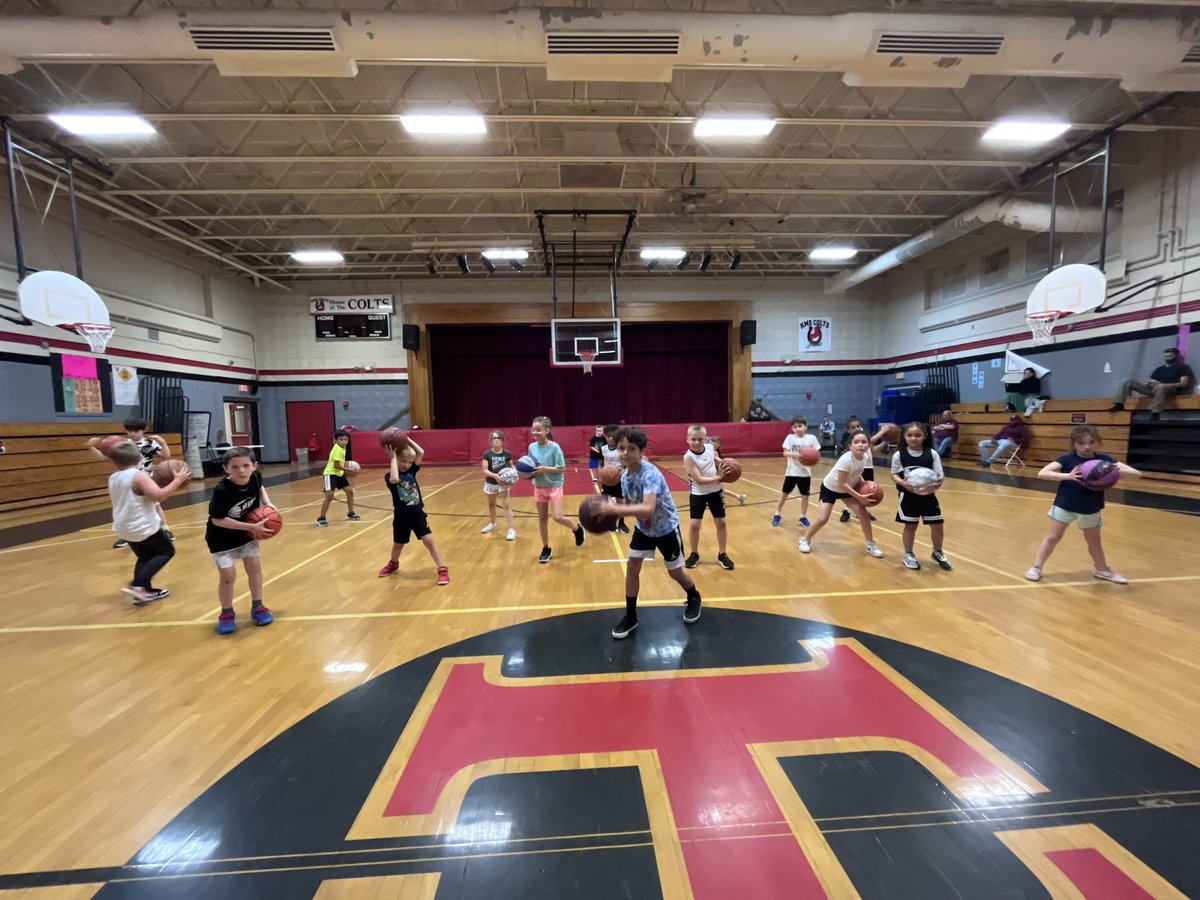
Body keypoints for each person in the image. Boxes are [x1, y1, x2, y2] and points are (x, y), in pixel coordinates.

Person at [607, 426, 703, 639]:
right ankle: (631, 616)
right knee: (632, 566)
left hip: (666, 528)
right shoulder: (624, 477)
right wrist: (612, 505)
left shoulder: (650, 473)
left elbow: (647, 507)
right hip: (644, 528)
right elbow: (635, 503)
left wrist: (617, 508)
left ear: (641, 451)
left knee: (675, 572)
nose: (624, 453)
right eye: (621, 448)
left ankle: (694, 596)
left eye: (631, 448)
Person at [1025, 425, 1142, 584]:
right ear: (1074, 443)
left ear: (1097, 442)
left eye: (1091, 442)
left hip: (1090, 507)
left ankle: (1102, 570)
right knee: (1053, 537)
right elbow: (1042, 473)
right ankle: (1036, 567)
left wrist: (1113, 470)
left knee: (1094, 541)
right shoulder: (1066, 459)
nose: (1087, 447)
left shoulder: (1105, 460)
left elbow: (1137, 474)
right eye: (1081, 443)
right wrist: (1069, 476)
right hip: (1065, 505)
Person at [105, 441, 190, 604]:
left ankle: (143, 592)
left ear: (114, 461)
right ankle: (139, 585)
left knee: (145, 557)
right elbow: (159, 496)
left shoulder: (114, 477)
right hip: (141, 525)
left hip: (124, 526)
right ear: (139, 457)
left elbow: (138, 494)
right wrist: (177, 480)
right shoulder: (138, 475)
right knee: (166, 551)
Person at [206, 448, 275, 634]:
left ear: (254, 466)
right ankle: (226, 613)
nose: (242, 471)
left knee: (254, 567)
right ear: (226, 469)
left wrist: (268, 504)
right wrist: (252, 527)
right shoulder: (222, 490)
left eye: (246, 465)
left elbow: (260, 487)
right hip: (221, 538)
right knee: (228, 576)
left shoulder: (255, 477)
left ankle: (258, 607)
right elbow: (217, 520)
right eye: (235, 467)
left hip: (246, 535)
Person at [88, 417, 174, 548]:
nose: (133, 433)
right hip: (127, 479)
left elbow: (166, 455)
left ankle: (165, 529)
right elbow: (105, 458)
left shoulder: (150, 443)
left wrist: (163, 443)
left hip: (146, 477)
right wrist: (91, 447)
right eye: (129, 431)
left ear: (143, 430)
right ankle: (127, 536)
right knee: (128, 505)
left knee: (155, 505)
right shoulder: (122, 444)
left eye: (136, 430)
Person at [799, 431, 884, 558]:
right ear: (850, 446)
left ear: (868, 445)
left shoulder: (865, 457)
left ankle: (870, 544)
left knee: (863, 514)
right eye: (856, 442)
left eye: (864, 442)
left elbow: (857, 474)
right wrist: (859, 496)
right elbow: (841, 484)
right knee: (823, 518)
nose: (860, 445)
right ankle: (805, 539)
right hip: (831, 489)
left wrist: (865, 484)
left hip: (847, 490)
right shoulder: (846, 459)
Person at [378, 438, 449, 584]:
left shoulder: (412, 471)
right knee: (398, 544)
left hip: (417, 514)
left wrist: (406, 439)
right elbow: (394, 479)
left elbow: (420, 452)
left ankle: (442, 568)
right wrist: (392, 458)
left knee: (428, 540)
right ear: (396, 460)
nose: (407, 464)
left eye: (410, 462)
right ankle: (393, 563)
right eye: (403, 461)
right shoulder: (389, 476)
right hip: (401, 516)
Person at [891, 422, 951, 571]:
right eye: (910, 435)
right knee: (911, 525)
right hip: (908, 496)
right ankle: (909, 554)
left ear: (924, 436)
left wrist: (937, 483)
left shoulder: (932, 453)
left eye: (918, 435)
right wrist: (903, 483)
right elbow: (894, 474)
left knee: (937, 524)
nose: (913, 438)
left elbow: (939, 474)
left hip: (928, 495)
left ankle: (937, 551)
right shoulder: (899, 454)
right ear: (904, 437)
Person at [528, 415, 585, 564]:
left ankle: (577, 528)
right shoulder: (531, 447)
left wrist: (544, 469)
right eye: (533, 430)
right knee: (542, 518)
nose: (534, 432)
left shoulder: (555, 447)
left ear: (547, 430)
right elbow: (530, 465)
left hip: (554, 486)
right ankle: (546, 548)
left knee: (557, 517)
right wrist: (527, 472)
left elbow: (561, 469)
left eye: (538, 430)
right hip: (539, 487)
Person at [682, 424, 734, 571]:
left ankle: (722, 554)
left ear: (705, 439)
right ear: (687, 439)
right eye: (693, 439)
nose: (697, 442)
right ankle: (694, 553)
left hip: (715, 492)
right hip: (698, 493)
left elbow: (716, 461)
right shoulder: (688, 457)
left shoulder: (711, 449)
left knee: (722, 523)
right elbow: (699, 479)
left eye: (700, 439)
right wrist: (719, 477)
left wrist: (728, 465)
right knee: (695, 525)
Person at [1109, 346, 1195, 419]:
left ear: (1176, 356)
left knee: (1161, 387)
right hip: (1154, 389)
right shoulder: (1160, 369)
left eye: (1170, 356)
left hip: (1170, 390)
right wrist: (1151, 382)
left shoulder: (1182, 367)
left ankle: (1155, 413)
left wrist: (1163, 384)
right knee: (1128, 382)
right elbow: (1150, 380)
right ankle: (1119, 404)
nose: (1167, 358)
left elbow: (1183, 383)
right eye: (1166, 356)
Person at [773, 415, 821, 528]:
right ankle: (777, 513)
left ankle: (803, 516)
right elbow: (785, 453)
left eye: (800, 426)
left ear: (806, 427)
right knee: (784, 494)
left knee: (805, 496)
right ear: (792, 428)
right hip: (792, 472)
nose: (798, 428)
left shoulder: (812, 438)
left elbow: (816, 454)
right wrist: (799, 455)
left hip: (805, 473)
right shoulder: (790, 438)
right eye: (795, 427)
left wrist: (812, 459)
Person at [316, 430, 361, 526]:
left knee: (349, 491)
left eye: (346, 439)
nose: (344, 441)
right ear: (336, 440)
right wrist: (350, 470)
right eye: (341, 439)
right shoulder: (337, 449)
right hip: (331, 474)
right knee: (330, 496)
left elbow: (340, 464)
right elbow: (336, 465)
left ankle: (350, 513)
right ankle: (321, 518)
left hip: (339, 474)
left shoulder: (343, 447)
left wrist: (346, 470)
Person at [480, 429, 516, 541]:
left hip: (504, 484)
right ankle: (492, 524)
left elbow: (511, 466)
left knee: (506, 505)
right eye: (493, 438)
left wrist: (515, 474)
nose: (496, 440)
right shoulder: (487, 454)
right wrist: (496, 476)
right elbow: (485, 470)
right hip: (491, 482)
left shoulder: (507, 454)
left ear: (502, 440)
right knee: (491, 504)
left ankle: (511, 529)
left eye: (498, 438)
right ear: (491, 441)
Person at [599, 424, 629, 533]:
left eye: (612, 437)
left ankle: (621, 523)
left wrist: (624, 471)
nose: (610, 439)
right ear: (605, 437)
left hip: (619, 479)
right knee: (606, 502)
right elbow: (600, 463)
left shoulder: (621, 450)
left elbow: (628, 464)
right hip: (607, 479)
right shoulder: (603, 449)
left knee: (621, 501)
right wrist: (601, 473)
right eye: (608, 437)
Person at [708, 435, 746, 504]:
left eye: (716, 446)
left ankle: (738, 497)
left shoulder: (714, 452)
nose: (715, 447)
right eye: (714, 446)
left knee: (718, 490)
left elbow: (717, 460)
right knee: (721, 490)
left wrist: (725, 463)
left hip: (717, 473)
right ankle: (739, 497)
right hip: (714, 473)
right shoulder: (709, 451)